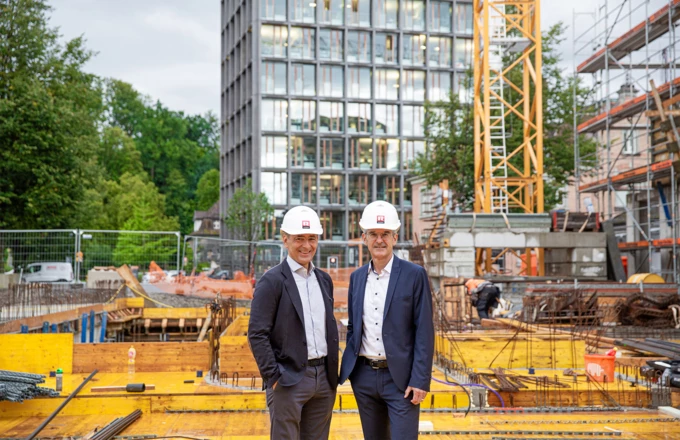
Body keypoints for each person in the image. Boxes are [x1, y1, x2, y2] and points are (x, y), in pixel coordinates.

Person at [339, 201, 434, 440]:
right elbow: (353, 327)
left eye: (385, 234)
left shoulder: (414, 275)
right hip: (364, 378)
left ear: (395, 237)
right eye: (373, 234)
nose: (379, 240)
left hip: (400, 380)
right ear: (364, 237)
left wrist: (420, 379)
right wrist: (353, 373)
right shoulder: (357, 278)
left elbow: (424, 330)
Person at [248, 206, 339, 440]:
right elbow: (257, 334)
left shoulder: (324, 280)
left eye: (312, 238)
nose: (306, 246)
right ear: (285, 238)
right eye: (299, 238)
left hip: (324, 380)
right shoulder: (272, 281)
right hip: (288, 380)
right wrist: (274, 376)